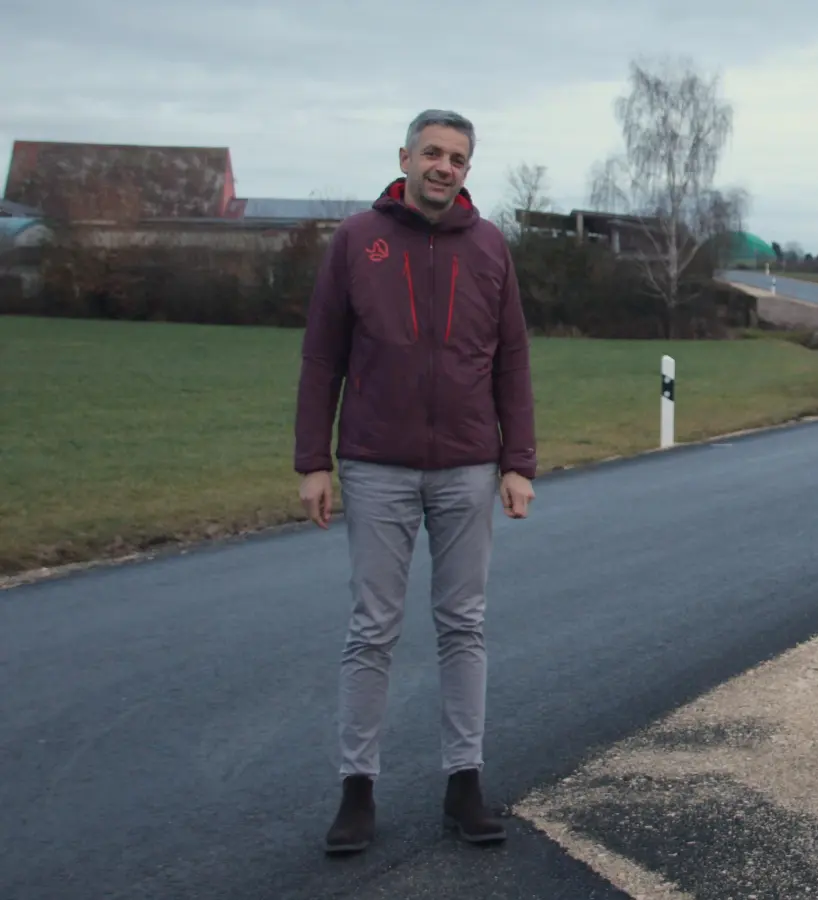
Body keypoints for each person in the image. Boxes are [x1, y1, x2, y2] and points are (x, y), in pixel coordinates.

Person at [292, 108, 537, 855]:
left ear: (468, 169)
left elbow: (512, 360)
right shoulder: (356, 240)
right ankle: (356, 790)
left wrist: (518, 462)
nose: (443, 167)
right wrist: (313, 461)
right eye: (432, 153)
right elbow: (322, 356)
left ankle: (465, 783)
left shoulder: (489, 246)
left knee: (464, 625)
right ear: (405, 158)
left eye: (457, 158)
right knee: (372, 629)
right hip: (376, 464)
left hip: (467, 466)